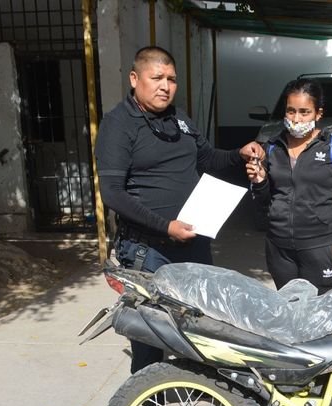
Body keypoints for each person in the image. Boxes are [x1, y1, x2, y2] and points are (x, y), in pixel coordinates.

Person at [95, 45, 263, 373]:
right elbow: (112, 194)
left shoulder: (178, 118)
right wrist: (165, 226)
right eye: (156, 77)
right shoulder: (118, 125)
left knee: (200, 330)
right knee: (150, 339)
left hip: (194, 242)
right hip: (148, 251)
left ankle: (195, 397)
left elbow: (208, 159)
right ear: (134, 78)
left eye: (171, 79)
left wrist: (238, 154)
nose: (165, 86)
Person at [245, 78, 332, 295]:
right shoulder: (271, 148)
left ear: (318, 114)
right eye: (291, 111)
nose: (296, 119)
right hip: (279, 248)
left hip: (322, 248)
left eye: (304, 112)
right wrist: (259, 181)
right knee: (289, 310)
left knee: (320, 312)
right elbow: (262, 203)